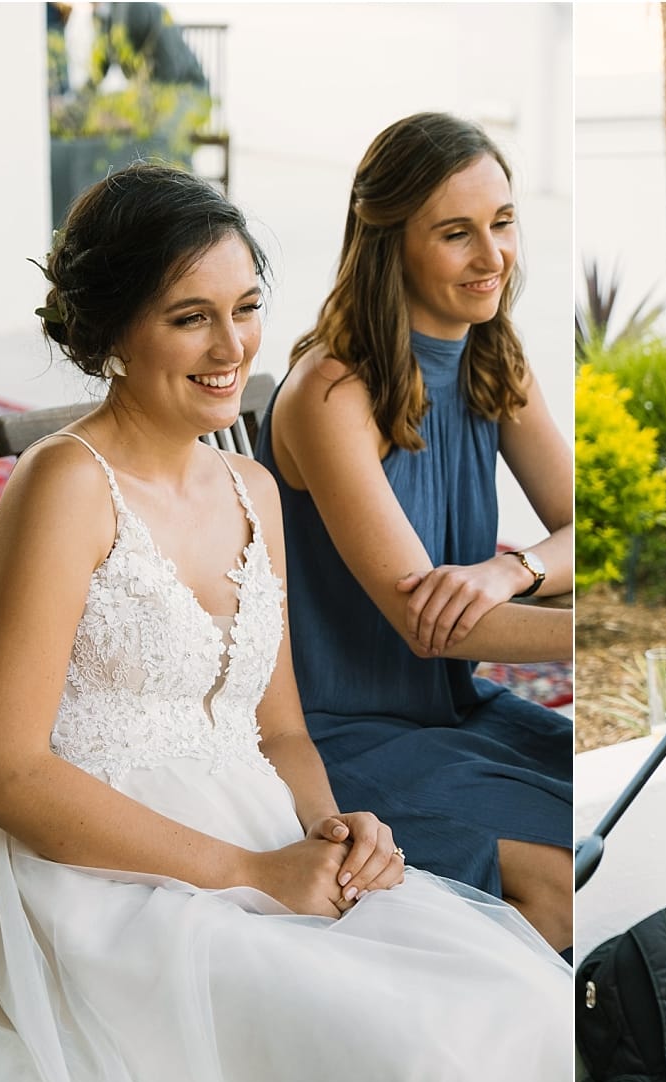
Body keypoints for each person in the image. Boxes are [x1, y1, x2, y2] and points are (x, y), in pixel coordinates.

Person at [0, 163, 572, 1082]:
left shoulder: (253, 492)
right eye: (189, 317)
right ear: (114, 332)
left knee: (526, 1005)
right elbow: (2, 771)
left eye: (246, 307)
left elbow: (283, 730)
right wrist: (253, 872)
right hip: (100, 882)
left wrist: (336, 827)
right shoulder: (66, 485)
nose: (232, 347)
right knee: (423, 1057)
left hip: (262, 831)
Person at [256, 112, 574, 953]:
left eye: (503, 223)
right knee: (562, 878)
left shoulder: (493, 359)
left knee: (630, 802)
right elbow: (427, 625)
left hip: (454, 712)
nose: (493, 256)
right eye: (456, 233)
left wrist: (517, 571)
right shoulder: (332, 393)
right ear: (388, 242)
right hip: (337, 732)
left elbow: (583, 533)